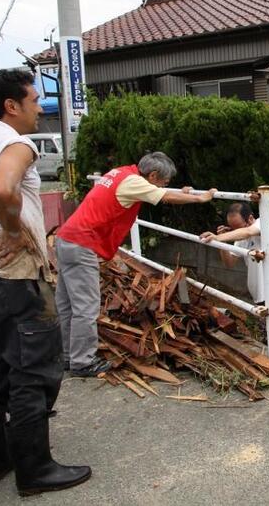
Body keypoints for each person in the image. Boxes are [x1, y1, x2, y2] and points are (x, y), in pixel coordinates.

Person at [0, 69, 91, 496]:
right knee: (33, 371)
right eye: (33, 101)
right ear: (11, 106)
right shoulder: (15, 143)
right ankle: (35, 471)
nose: (38, 109)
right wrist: (10, 231)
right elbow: (2, 188)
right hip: (13, 275)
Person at [54, 152, 216, 377]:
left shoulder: (121, 173)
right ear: (153, 175)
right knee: (85, 307)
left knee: (67, 304)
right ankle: (83, 362)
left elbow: (161, 192)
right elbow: (164, 197)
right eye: (164, 182)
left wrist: (181, 192)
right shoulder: (134, 182)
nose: (164, 186)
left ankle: (68, 356)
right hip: (83, 243)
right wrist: (201, 198)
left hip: (67, 239)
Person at [200, 202, 269, 354]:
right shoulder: (240, 236)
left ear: (251, 218)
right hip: (259, 295)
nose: (236, 230)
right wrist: (222, 242)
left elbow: (247, 232)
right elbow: (229, 262)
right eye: (232, 227)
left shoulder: (263, 224)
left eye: (238, 226)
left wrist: (220, 237)